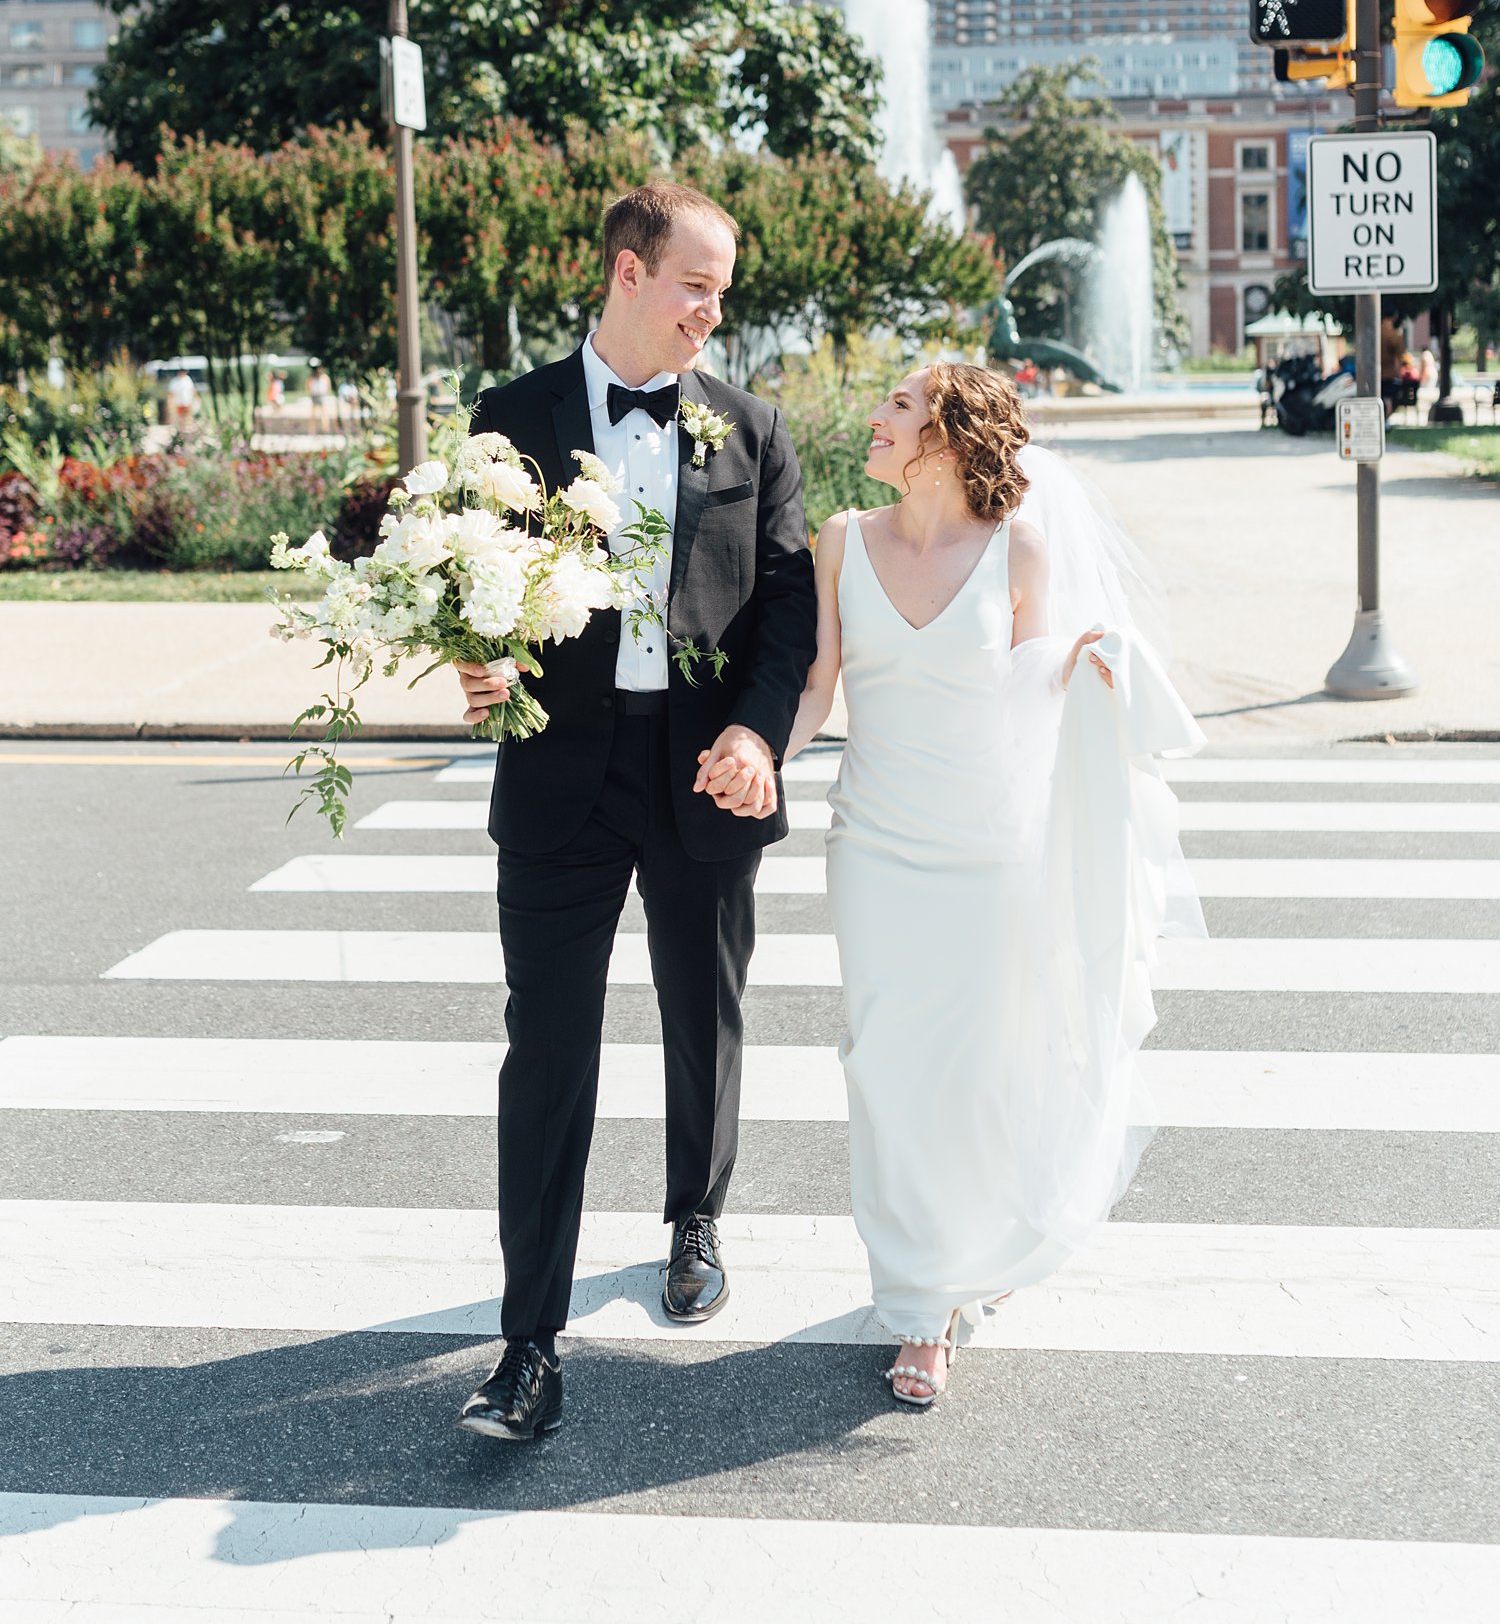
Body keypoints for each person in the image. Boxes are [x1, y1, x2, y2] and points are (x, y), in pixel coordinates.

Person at [450, 182, 818, 1444]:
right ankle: (528, 1346)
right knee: (545, 1053)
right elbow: (470, 579)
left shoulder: (752, 427)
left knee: (701, 1015)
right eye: (697, 286)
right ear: (626, 274)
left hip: (699, 770)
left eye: (723, 291)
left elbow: (784, 609)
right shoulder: (514, 421)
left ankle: (692, 1217)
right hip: (559, 774)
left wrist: (756, 735)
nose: (714, 312)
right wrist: (477, 657)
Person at [785, 362, 1203, 1407]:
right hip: (874, 844)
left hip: (985, 848)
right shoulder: (842, 540)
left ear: (951, 437)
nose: (876, 419)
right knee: (884, 1063)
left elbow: (1033, 685)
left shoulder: (1018, 547)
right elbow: (816, 684)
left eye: (899, 408)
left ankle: (960, 1264)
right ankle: (919, 1301)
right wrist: (758, 755)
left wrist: (1086, 663)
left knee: (972, 1071)